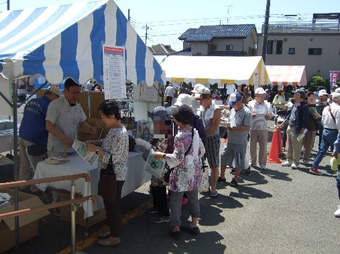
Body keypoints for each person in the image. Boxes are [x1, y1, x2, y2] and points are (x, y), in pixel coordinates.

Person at [154, 104, 205, 240]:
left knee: (175, 200)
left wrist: (162, 155)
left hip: (181, 173)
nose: (173, 120)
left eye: (175, 118)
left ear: (179, 120)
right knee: (193, 198)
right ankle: (194, 225)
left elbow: (178, 158)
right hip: (194, 172)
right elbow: (202, 150)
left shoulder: (180, 136)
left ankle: (176, 228)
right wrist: (193, 160)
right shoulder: (195, 132)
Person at [86, 100, 129, 247]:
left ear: (111, 115)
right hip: (109, 174)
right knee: (109, 204)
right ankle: (113, 229)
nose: (102, 120)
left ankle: (116, 235)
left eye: (103, 117)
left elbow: (114, 157)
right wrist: (97, 142)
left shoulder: (121, 133)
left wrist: (96, 151)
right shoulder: (115, 129)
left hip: (114, 175)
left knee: (113, 206)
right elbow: (108, 142)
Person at [46, 78, 97, 157]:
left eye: (78, 93)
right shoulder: (55, 105)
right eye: (73, 93)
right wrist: (65, 138)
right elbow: (48, 126)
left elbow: (82, 122)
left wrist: (90, 129)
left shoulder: (78, 107)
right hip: (57, 149)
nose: (76, 96)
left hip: (73, 148)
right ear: (66, 90)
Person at [19, 86, 61, 182]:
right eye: (57, 98)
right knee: (38, 168)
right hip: (35, 139)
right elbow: (50, 125)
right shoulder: (49, 106)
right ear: (52, 95)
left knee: (24, 164)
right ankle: (37, 189)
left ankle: (21, 188)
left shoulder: (32, 101)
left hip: (22, 135)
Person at [144, 106, 173, 223]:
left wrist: (147, 147)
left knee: (160, 188)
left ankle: (164, 213)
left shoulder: (164, 131)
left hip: (162, 166)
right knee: (155, 186)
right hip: (158, 165)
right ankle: (156, 207)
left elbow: (159, 149)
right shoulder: (162, 128)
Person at [194, 84, 221, 197]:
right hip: (201, 138)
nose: (200, 103)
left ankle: (213, 187)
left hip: (212, 138)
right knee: (200, 163)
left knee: (213, 164)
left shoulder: (216, 109)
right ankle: (204, 184)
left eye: (202, 100)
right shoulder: (201, 108)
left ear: (207, 99)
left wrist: (202, 132)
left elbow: (215, 125)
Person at [220, 92, 252, 186]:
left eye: (234, 104)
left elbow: (247, 127)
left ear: (239, 102)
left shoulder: (247, 112)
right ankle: (222, 176)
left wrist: (234, 129)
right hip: (230, 139)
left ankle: (235, 178)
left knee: (238, 160)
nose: (232, 106)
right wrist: (225, 123)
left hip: (240, 141)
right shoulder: (232, 110)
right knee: (224, 156)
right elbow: (229, 120)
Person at [310, 93, 340, 175]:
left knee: (322, 150)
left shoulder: (327, 107)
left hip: (325, 130)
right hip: (334, 131)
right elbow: (338, 124)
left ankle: (314, 166)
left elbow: (322, 120)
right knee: (337, 150)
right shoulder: (338, 109)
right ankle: (337, 169)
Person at [280, 89, 309, 169]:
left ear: (299, 95)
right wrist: (284, 123)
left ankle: (295, 162)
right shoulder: (294, 104)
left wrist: (302, 128)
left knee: (297, 145)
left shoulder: (304, 106)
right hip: (290, 126)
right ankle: (289, 159)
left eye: (295, 94)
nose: (293, 95)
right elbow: (289, 115)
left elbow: (305, 119)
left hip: (298, 128)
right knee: (289, 144)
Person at [248, 87, 274, 170]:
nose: (263, 97)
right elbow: (247, 114)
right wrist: (251, 115)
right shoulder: (251, 104)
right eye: (261, 95)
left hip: (263, 127)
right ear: (256, 95)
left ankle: (262, 163)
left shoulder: (267, 104)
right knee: (252, 146)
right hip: (253, 127)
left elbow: (271, 115)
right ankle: (253, 161)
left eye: (264, 95)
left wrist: (269, 116)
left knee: (263, 146)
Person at [301, 92, 320, 164]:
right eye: (310, 98)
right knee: (299, 142)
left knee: (308, 145)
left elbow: (318, 117)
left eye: (313, 98)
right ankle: (298, 156)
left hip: (312, 128)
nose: (312, 99)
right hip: (303, 128)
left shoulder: (315, 106)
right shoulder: (303, 106)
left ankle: (306, 158)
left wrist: (317, 117)